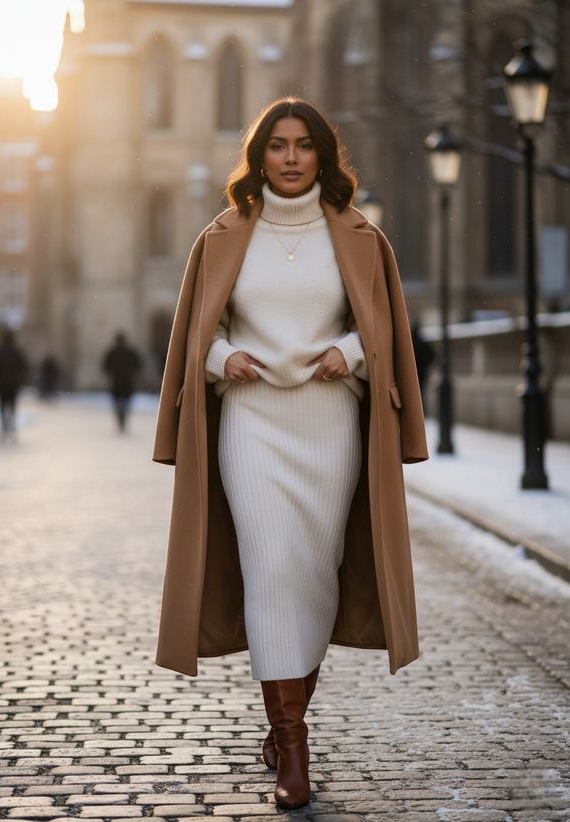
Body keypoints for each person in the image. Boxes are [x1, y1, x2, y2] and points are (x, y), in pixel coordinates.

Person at [152, 98, 428, 809]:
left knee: (314, 575)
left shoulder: (363, 237)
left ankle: (284, 721)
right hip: (251, 424)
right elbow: (193, 335)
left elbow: (386, 334)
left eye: (306, 145)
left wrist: (350, 352)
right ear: (260, 155)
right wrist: (221, 357)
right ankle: (294, 749)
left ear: (323, 156)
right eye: (278, 145)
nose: (292, 157)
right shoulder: (222, 236)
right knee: (270, 567)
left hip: (330, 421)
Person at [0, 330, 28, 441]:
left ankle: (4, 427)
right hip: (13, 383)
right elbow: (23, 365)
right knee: (12, 405)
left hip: (1, 384)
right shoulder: (16, 351)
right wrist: (18, 376)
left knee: (2, 405)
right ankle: (11, 426)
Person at [102, 332, 142, 431]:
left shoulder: (112, 352)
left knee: (116, 401)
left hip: (116, 380)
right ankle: (123, 418)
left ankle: (120, 419)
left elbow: (105, 366)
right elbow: (138, 364)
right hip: (127, 380)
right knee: (127, 401)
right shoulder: (130, 352)